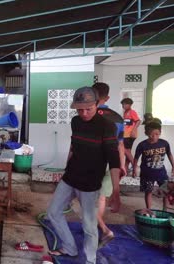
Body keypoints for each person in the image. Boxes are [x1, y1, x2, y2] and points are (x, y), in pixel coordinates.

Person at [46, 87, 120, 264]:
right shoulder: (76, 122)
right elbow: (74, 147)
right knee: (53, 212)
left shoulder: (107, 126)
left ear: (97, 104)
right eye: (80, 109)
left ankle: (90, 260)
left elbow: (114, 160)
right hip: (70, 177)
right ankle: (70, 248)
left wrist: (116, 190)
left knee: (89, 226)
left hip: (90, 183)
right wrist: (65, 170)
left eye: (89, 109)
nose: (84, 113)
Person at [92, 82, 126, 247]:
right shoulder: (118, 118)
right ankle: (101, 229)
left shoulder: (89, 114)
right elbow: (120, 145)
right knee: (102, 198)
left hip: (94, 162)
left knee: (86, 197)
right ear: (108, 97)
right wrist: (122, 165)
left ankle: (103, 229)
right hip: (112, 163)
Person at [133, 121, 174, 209]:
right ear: (146, 133)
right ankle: (149, 209)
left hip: (161, 173)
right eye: (151, 134)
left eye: (157, 134)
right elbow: (136, 158)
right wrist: (134, 169)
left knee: (166, 191)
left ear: (160, 132)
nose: (154, 136)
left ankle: (165, 210)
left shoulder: (164, 143)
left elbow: (169, 154)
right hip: (147, 174)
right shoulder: (142, 145)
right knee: (148, 192)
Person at [121, 98, 141, 173]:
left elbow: (138, 121)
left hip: (129, 135)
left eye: (125, 104)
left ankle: (135, 166)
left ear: (130, 105)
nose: (123, 105)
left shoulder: (132, 112)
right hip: (125, 135)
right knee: (127, 152)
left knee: (126, 151)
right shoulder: (125, 112)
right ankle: (126, 169)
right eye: (123, 104)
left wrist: (133, 130)